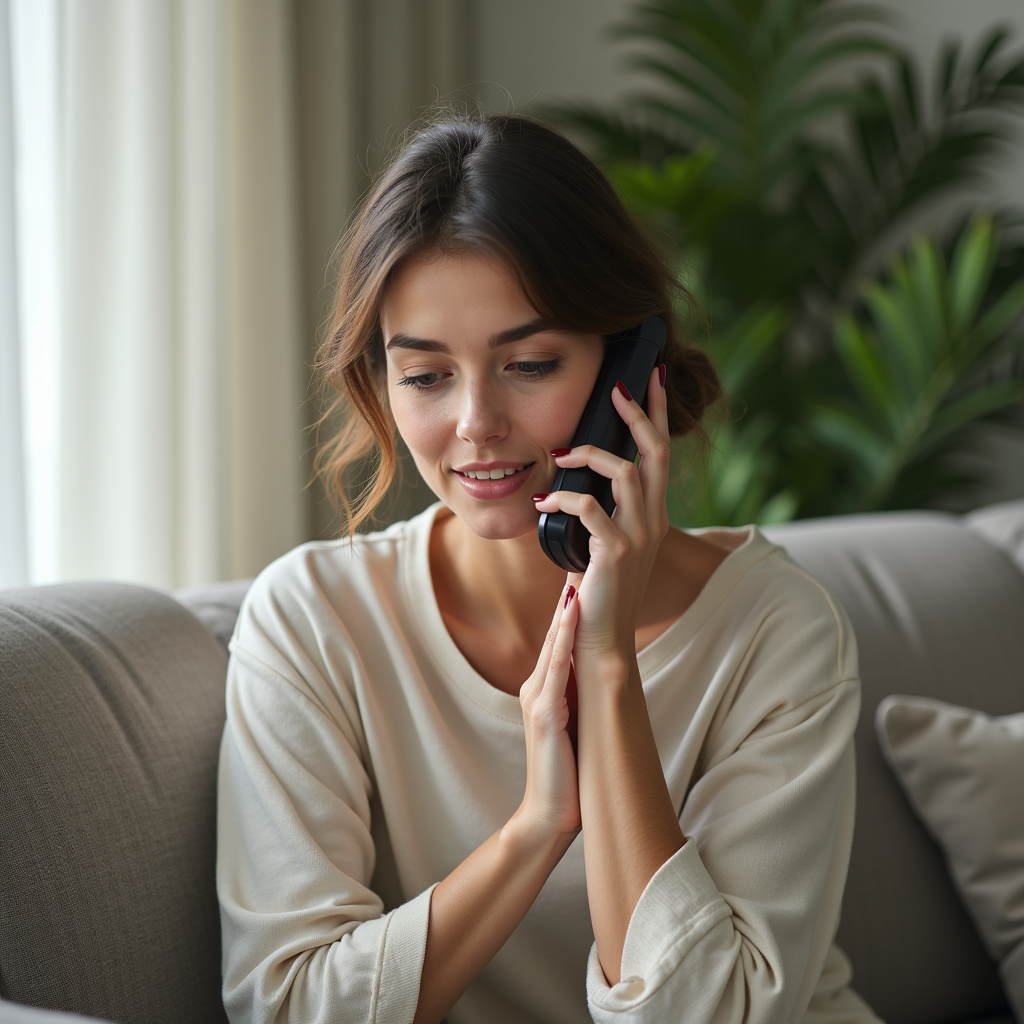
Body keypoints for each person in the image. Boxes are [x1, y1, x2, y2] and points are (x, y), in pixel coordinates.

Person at [216, 112, 881, 1024]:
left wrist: (608, 671)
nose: (475, 423)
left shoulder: (776, 628)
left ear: (630, 364)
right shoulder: (313, 618)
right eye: (425, 376)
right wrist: (538, 827)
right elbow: (287, 1006)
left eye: (529, 364)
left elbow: (708, 1014)